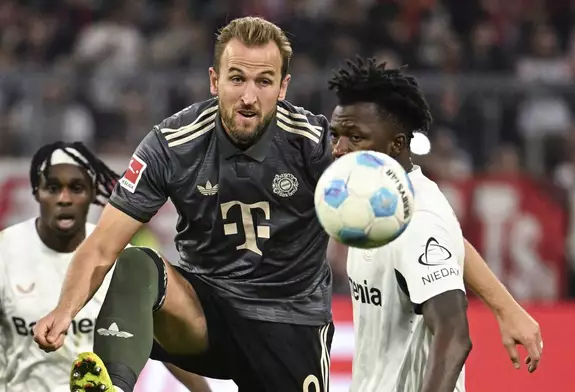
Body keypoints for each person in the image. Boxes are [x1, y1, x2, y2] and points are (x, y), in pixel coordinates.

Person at [33, 16, 541, 392]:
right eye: (236, 79)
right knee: (136, 263)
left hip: (289, 324)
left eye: (263, 81)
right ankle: (111, 386)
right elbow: (100, 247)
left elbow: (428, 228)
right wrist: (63, 309)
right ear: (215, 81)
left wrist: (506, 306)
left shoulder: (319, 144)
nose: (248, 96)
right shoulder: (172, 143)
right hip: (206, 313)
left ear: (283, 87)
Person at [324, 57, 544, 391]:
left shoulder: (418, 220)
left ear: (396, 144)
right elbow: (449, 246)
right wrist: (505, 306)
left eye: (355, 137)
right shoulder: (375, 202)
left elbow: (454, 336)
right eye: (336, 135)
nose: (339, 149)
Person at [0, 142, 210, 392]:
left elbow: (162, 339)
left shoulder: (127, 263)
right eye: (53, 188)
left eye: (76, 188)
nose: (64, 199)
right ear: (36, 193)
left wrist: (202, 390)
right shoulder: (5, 252)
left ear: (92, 193)